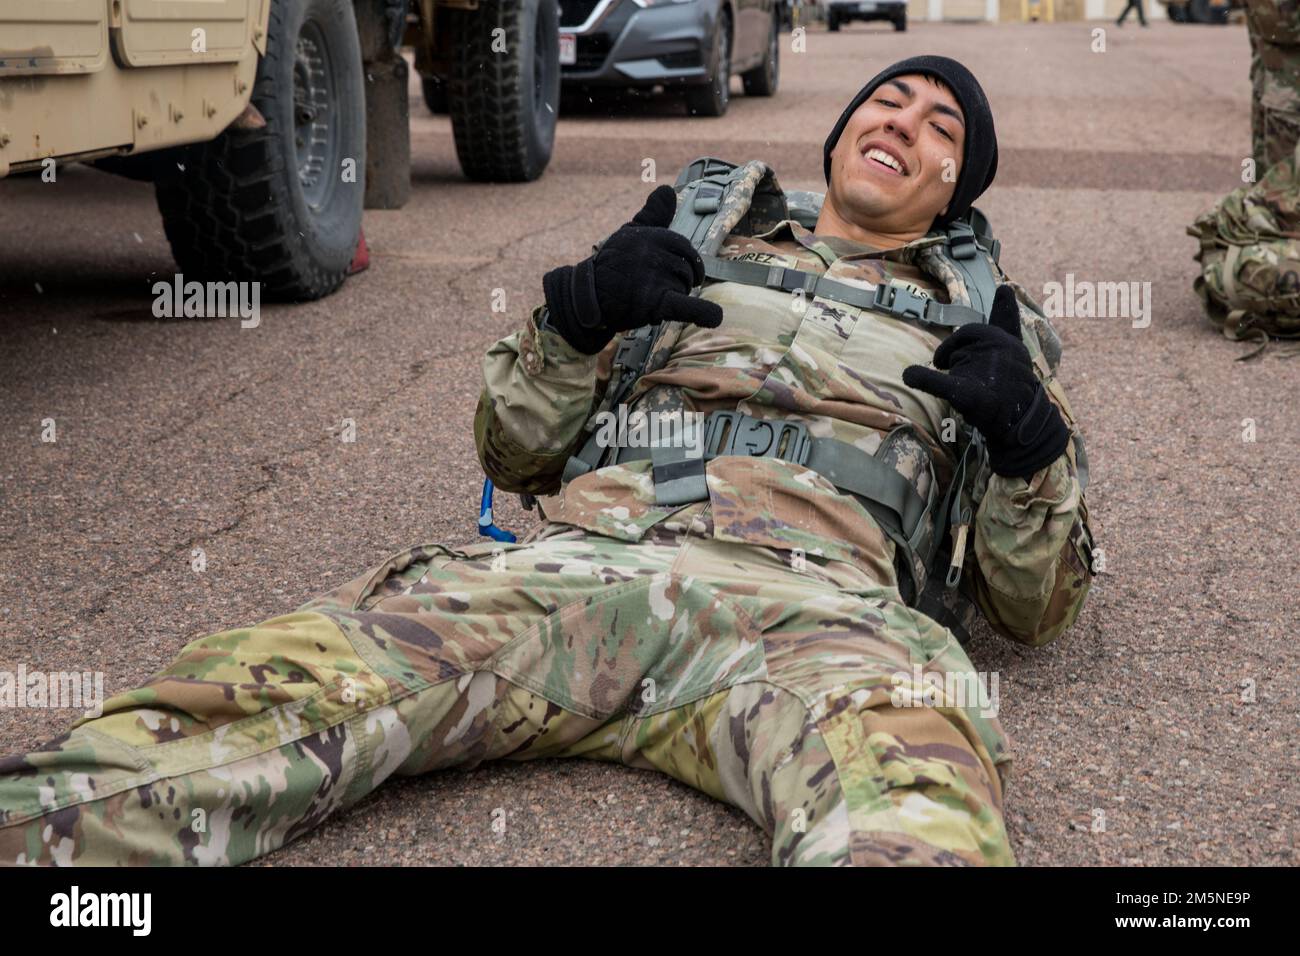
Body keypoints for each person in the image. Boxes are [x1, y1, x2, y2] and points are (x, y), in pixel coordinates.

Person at [0, 55, 1094, 867]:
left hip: (824, 614)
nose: (902, 119)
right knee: (263, 698)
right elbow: (515, 446)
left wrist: (1027, 444)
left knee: (915, 818)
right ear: (844, 130)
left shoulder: (988, 326)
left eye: (940, 121)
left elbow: (1032, 605)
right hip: (589, 567)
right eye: (887, 99)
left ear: (956, 184)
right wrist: (574, 320)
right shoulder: (691, 238)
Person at [1246, 0, 1300, 175]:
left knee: (1283, 180)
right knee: (1263, 172)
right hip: (1268, 83)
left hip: (1288, 92)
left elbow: (1281, 26)